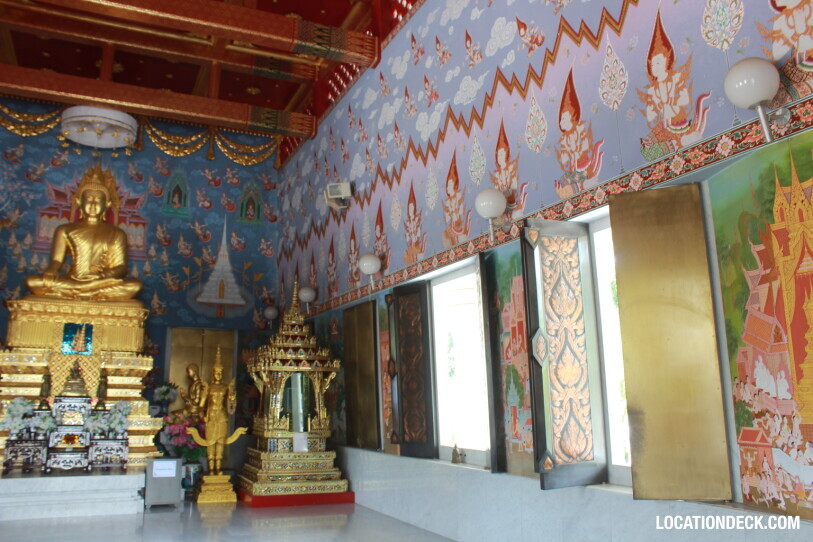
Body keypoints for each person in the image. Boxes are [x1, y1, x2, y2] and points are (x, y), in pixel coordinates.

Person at [25, 164, 142, 300]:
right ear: (79, 202)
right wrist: (52, 270)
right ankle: (86, 292)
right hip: (73, 280)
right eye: (88, 199)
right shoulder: (65, 229)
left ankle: (77, 293)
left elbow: (121, 267)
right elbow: (57, 260)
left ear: (107, 204)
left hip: (100, 282)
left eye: (98, 200)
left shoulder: (117, 233)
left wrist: (102, 276)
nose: (93, 205)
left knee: (134, 285)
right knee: (32, 281)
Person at [187, 348, 245, 475]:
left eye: (220, 372)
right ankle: (211, 469)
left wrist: (232, 400)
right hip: (211, 417)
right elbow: (201, 406)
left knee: (220, 442)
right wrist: (203, 416)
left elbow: (230, 409)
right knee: (210, 443)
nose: (218, 375)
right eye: (216, 372)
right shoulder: (208, 388)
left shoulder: (225, 388)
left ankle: (218, 468)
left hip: (222, 417)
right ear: (212, 373)